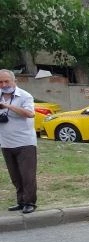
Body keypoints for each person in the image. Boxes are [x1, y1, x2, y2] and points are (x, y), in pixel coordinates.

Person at [0, 69, 38, 214]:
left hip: (25, 143)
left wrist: (8, 106)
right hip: (6, 142)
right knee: (15, 176)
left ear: (14, 81)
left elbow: (30, 114)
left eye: (6, 81)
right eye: (0, 82)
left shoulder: (25, 96)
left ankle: (30, 202)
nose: (3, 85)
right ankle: (21, 201)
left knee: (27, 175)